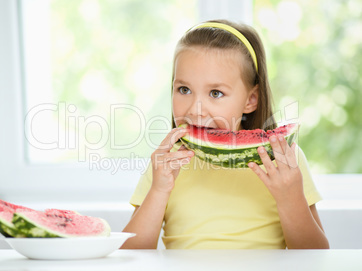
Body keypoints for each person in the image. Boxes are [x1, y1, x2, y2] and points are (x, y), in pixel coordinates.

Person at [121, 19, 329, 249]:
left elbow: (316, 256)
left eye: (216, 93)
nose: (195, 109)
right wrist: (159, 190)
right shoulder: (166, 162)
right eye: (184, 89)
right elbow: (132, 253)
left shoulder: (284, 159)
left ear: (251, 99)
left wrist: (291, 199)